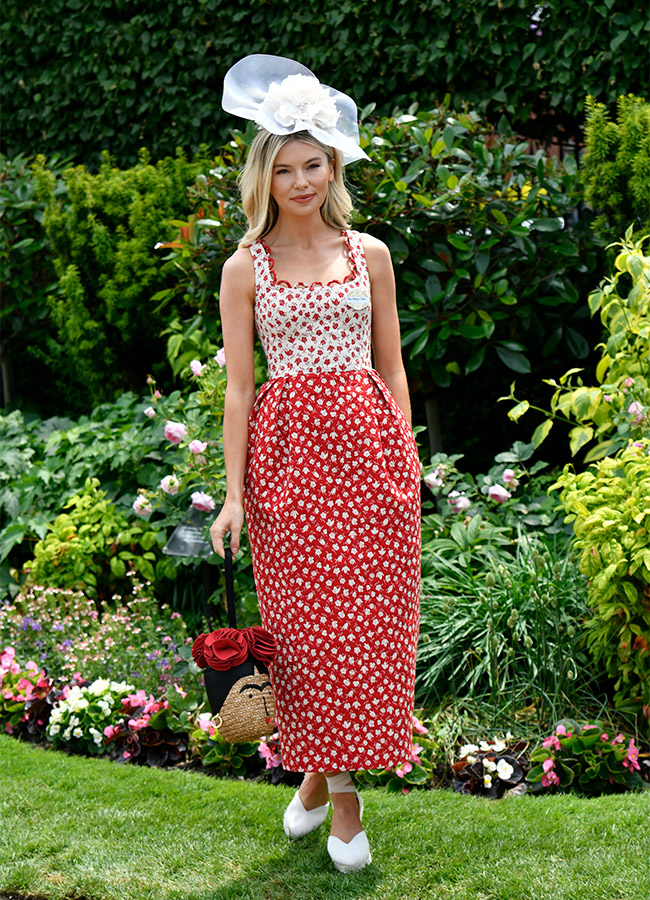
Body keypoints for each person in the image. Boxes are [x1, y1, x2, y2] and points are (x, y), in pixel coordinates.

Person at [209, 54, 421, 873]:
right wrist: (232, 496)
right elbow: (238, 390)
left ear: (333, 166)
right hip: (289, 462)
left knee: (370, 628)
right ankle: (343, 799)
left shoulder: (369, 253)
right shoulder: (244, 268)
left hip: (370, 454)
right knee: (305, 635)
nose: (301, 181)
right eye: (285, 168)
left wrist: (403, 453)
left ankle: (309, 783)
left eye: (314, 165)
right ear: (264, 175)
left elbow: (393, 365)